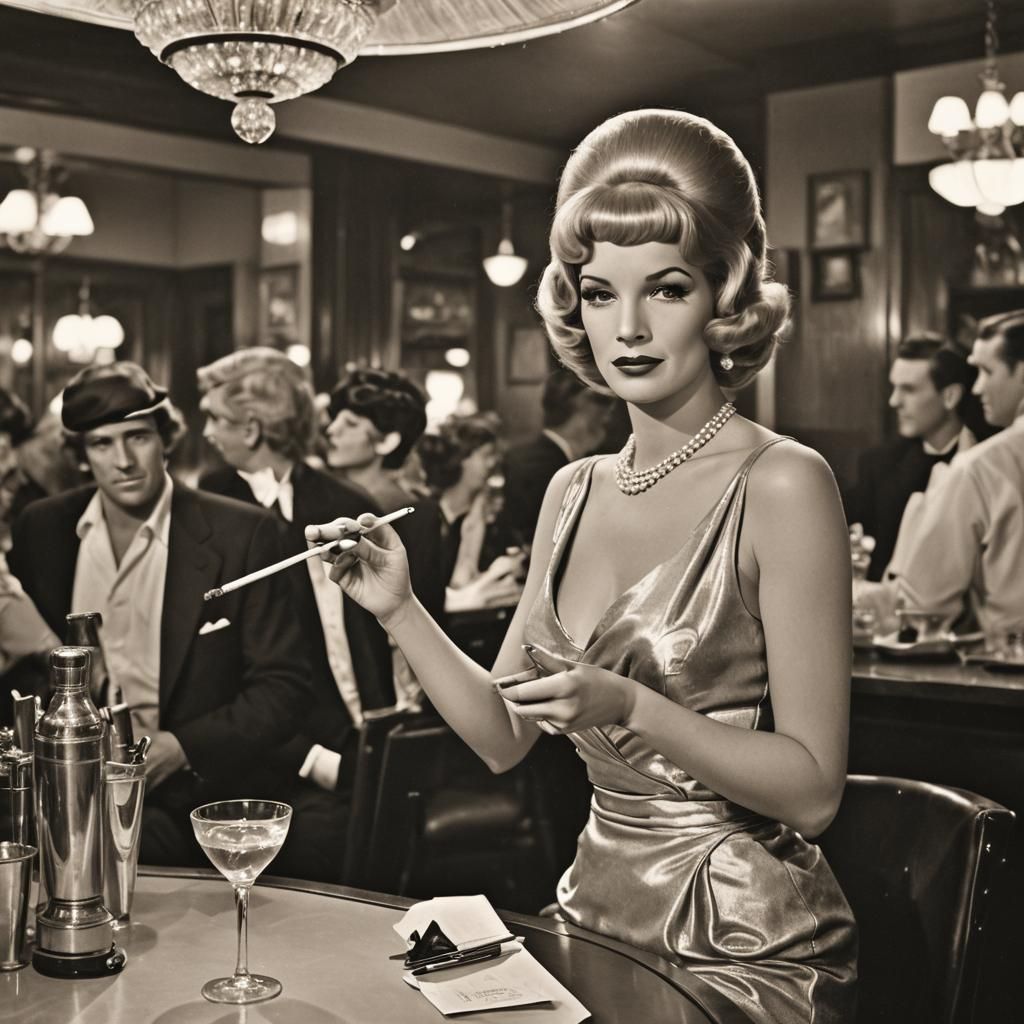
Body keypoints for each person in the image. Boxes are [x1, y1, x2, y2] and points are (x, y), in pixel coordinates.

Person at [307, 109, 856, 1023]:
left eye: (668, 289)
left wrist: (634, 706)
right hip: (588, 916)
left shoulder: (784, 481)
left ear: (724, 294)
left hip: (739, 946)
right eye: (600, 293)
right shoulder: (571, 488)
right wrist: (399, 608)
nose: (630, 328)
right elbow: (500, 736)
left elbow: (814, 792)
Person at [8, 361, 310, 865]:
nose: (123, 460)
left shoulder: (244, 532)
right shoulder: (44, 528)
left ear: (165, 438)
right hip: (65, 793)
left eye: (138, 437)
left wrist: (182, 747)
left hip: (192, 799)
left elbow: (285, 688)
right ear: (82, 455)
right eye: (102, 444)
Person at [197, 347, 398, 882]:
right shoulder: (203, 507)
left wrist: (359, 752)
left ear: (254, 427)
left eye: (216, 417)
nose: (207, 432)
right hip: (253, 754)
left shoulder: (343, 501)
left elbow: (369, 646)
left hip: (351, 739)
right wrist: (308, 757)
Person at [872, 310, 1024, 638]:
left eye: (986, 370)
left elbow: (922, 605)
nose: (979, 387)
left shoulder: (980, 467)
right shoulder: (881, 465)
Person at [845, 334, 986, 580]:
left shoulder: (989, 463)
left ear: (950, 396)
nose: (894, 401)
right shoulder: (877, 464)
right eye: (894, 387)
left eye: (908, 390)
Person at [324, 366, 445, 623]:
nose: (331, 430)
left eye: (351, 424)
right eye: (335, 419)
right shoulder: (319, 499)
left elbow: (425, 607)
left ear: (387, 440)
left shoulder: (414, 513)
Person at [494, 366, 613, 552]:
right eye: (604, 413)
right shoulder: (540, 466)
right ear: (584, 408)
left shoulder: (545, 458)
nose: (606, 421)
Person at [417, 414, 524, 613]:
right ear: (461, 459)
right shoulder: (427, 516)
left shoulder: (492, 515)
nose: (493, 463)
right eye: (487, 455)